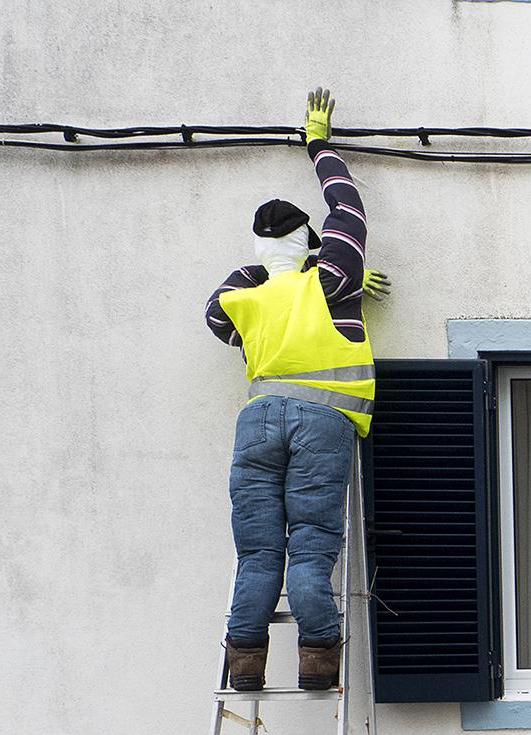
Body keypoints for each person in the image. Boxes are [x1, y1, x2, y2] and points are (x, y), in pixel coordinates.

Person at [205, 88, 390, 692]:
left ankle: (245, 662)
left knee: (258, 555)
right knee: (311, 550)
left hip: (256, 426)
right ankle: (316, 658)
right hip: (322, 428)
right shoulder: (333, 279)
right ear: (310, 245)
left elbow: (216, 314)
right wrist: (319, 145)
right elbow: (347, 209)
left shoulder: (247, 298)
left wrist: (272, 269)